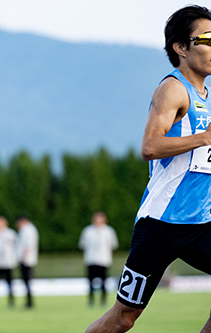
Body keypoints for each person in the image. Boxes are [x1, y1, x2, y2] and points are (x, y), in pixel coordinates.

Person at [86, 5, 211, 332]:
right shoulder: (173, 89)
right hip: (161, 225)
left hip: (201, 223)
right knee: (124, 318)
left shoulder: (207, 95)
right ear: (181, 48)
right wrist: (204, 138)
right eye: (207, 39)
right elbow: (150, 146)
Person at [78, 211, 118, 307]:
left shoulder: (109, 231)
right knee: (90, 281)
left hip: (104, 260)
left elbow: (113, 245)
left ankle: (103, 300)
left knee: (104, 281)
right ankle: (91, 300)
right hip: (91, 259)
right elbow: (83, 245)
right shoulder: (87, 231)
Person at [15, 214, 39, 309]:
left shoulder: (26, 230)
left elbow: (27, 245)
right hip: (29, 259)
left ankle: (29, 302)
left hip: (26, 260)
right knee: (27, 281)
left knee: (27, 281)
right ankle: (29, 301)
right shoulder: (31, 229)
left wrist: (22, 258)